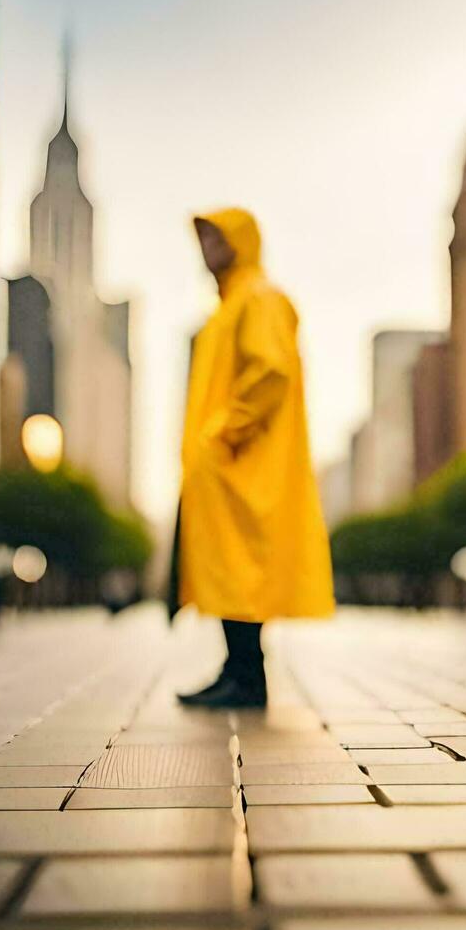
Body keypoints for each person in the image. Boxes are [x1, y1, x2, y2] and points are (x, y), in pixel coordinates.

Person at [175, 208, 335, 707]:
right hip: (229, 464)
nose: (206, 246)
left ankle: (246, 677)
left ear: (241, 240)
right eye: (201, 237)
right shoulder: (228, 307)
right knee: (230, 572)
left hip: (244, 463)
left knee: (241, 573)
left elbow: (271, 372)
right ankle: (239, 670)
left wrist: (221, 434)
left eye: (215, 236)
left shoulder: (259, 298)